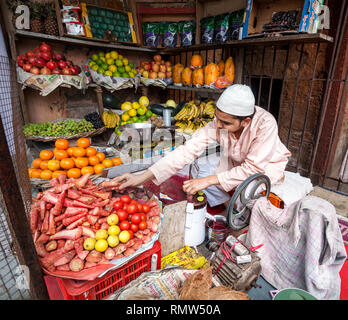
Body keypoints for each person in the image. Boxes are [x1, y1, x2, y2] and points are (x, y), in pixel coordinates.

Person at [112, 84, 291, 210]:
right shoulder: (218, 123)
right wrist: (142, 177)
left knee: (250, 191)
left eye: (225, 123)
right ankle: (228, 205)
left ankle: (236, 209)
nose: (218, 126)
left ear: (246, 122)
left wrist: (209, 180)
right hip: (236, 162)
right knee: (200, 171)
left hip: (265, 167)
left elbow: (253, 168)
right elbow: (186, 151)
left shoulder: (265, 124)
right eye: (217, 118)